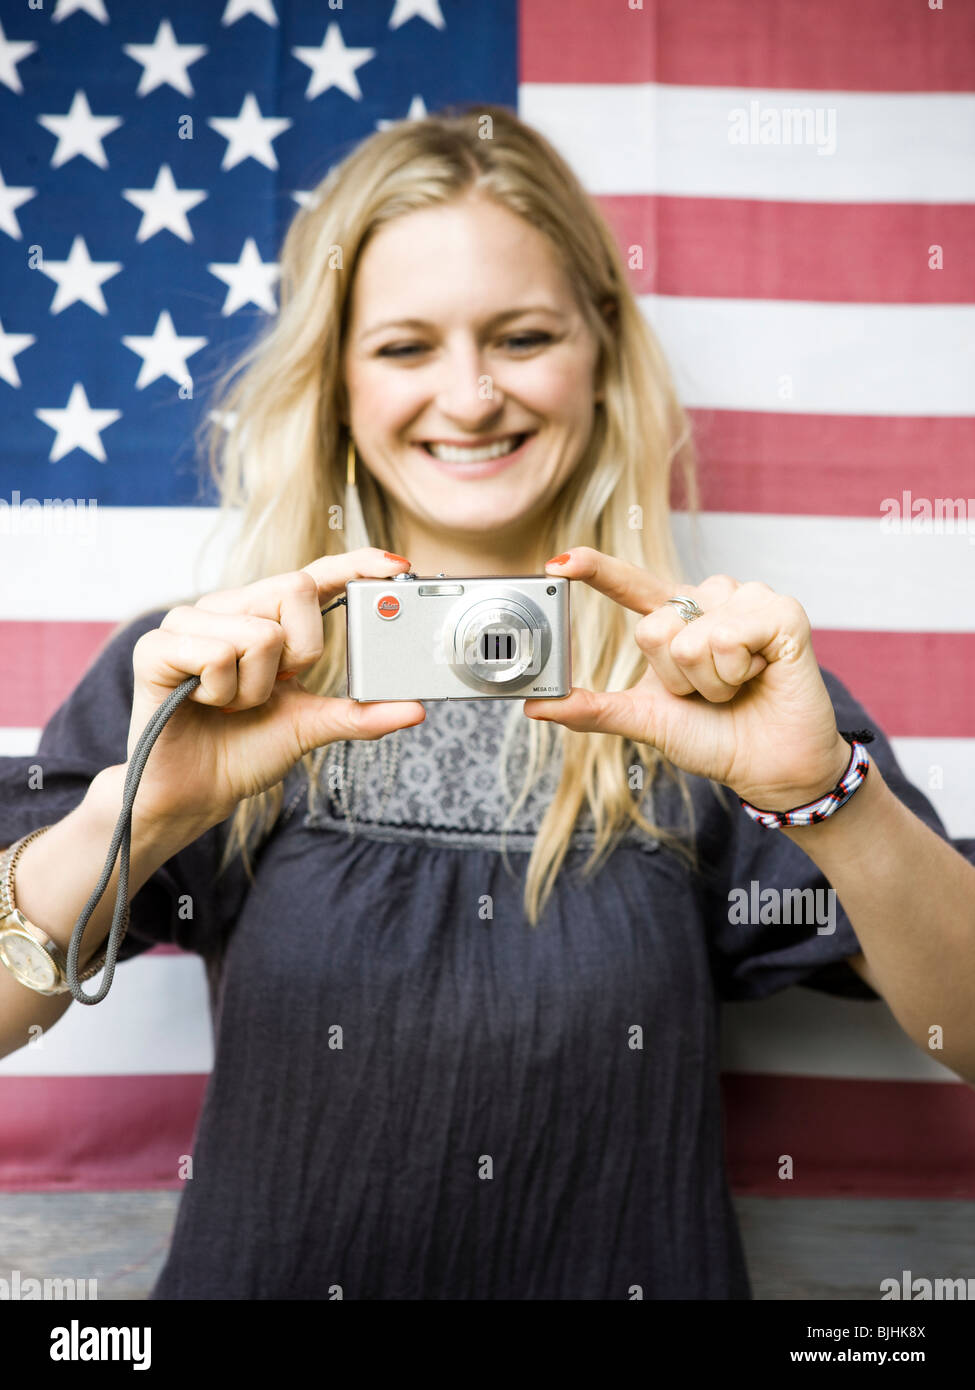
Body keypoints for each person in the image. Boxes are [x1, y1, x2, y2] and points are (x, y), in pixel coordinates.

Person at [1, 105, 973, 1301]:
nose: (468, 397)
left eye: (520, 336)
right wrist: (142, 813)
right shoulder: (216, 671)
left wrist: (833, 801)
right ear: (336, 381)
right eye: (406, 347)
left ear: (602, 354)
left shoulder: (718, 680)